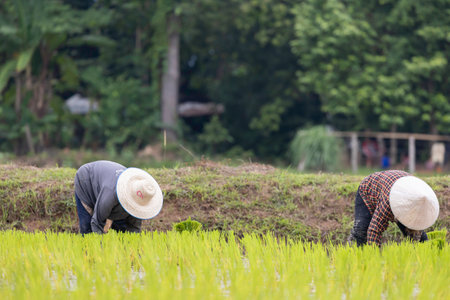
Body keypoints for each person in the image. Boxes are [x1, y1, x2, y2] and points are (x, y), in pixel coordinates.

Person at [348, 170, 439, 246]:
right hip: (369, 189)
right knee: (361, 231)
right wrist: (375, 257)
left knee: (419, 238)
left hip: (402, 192)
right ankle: (356, 257)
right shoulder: (387, 204)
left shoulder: (419, 199)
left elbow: (416, 231)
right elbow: (374, 231)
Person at [74, 160, 163, 234]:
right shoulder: (111, 194)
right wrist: (99, 249)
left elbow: (134, 228)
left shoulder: (138, 204)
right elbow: (97, 222)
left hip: (107, 188)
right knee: (87, 229)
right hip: (87, 182)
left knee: (122, 230)